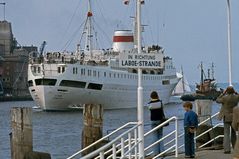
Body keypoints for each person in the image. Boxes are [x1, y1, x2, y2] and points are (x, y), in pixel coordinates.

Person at [216, 86, 239, 153]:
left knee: (226, 133)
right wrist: (236, 93)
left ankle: (227, 149)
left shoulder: (224, 98)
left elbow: (217, 100)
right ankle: (235, 148)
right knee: (233, 133)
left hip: (226, 117)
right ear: (233, 91)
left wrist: (223, 93)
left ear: (227, 91)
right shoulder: (236, 97)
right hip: (234, 116)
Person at [148, 91, 165, 155]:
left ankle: (155, 152)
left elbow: (149, 109)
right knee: (160, 135)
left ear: (151, 97)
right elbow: (162, 109)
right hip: (160, 120)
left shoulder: (149, 104)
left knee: (154, 136)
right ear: (157, 96)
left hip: (152, 120)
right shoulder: (160, 103)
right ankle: (162, 151)